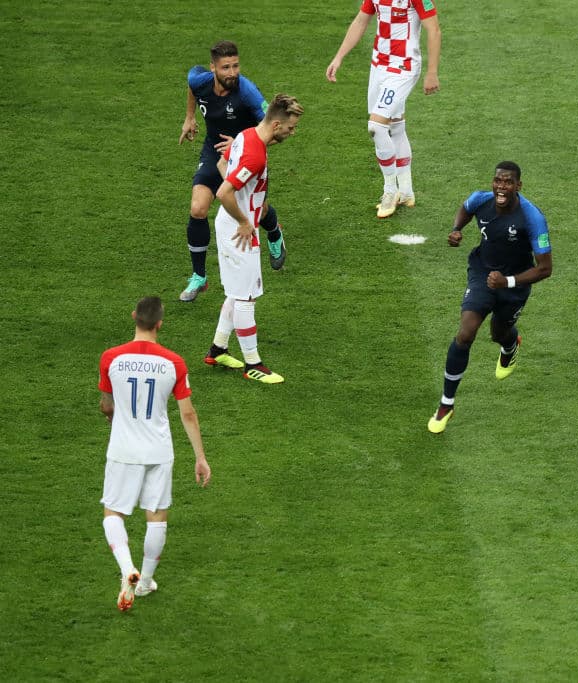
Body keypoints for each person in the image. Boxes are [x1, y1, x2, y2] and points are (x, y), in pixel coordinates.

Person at [99, 296, 211, 612]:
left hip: (123, 448)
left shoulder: (111, 358)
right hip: (159, 450)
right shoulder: (173, 363)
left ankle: (127, 570)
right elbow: (188, 415)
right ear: (160, 323)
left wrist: (111, 416)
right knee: (156, 516)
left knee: (113, 513)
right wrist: (200, 457)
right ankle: (145, 581)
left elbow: (107, 404)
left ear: (135, 317)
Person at [427, 161, 552, 433]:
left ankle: (510, 345)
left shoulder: (532, 218)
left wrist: (506, 281)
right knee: (466, 333)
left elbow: (545, 269)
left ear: (519, 186)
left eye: (508, 182)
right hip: (483, 273)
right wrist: (456, 228)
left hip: (514, 284)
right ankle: (446, 403)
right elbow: (466, 208)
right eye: (498, 181)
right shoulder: (481, 199)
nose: (501, 187)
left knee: (499, 333)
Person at [203, 94, 304, 384]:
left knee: (236, 292)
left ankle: (218, 348)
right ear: (275, 124)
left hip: (233, 225)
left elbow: (223, 165)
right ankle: (253, 364)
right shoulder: (254, 153)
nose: (292, 133)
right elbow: (223, 193)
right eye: (290, 128)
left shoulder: (246, 136)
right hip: (239, 230)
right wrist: (245, 220)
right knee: (246, 296)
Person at [178, 40, 288, 302]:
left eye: (236, 66)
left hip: (247, 156)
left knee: (258, 212)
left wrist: (240, 142)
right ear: (213, 68)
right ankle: (199, 277)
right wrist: (189, 117)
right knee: (198, 208)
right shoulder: (199, 80)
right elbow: (191, 87)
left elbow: (275, 127)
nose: (232, 72)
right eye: (226, 67)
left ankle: (274, 234)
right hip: (213, 151)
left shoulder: (248, 92)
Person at [325, 0, 441, 219]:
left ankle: (390, 191)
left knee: (376, 126)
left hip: (403, 67)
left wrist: (432, 72)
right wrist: (339, 57)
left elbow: (433, 29)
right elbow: (361, 21)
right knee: (395, 125)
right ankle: (406, 191)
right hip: (378, 66)